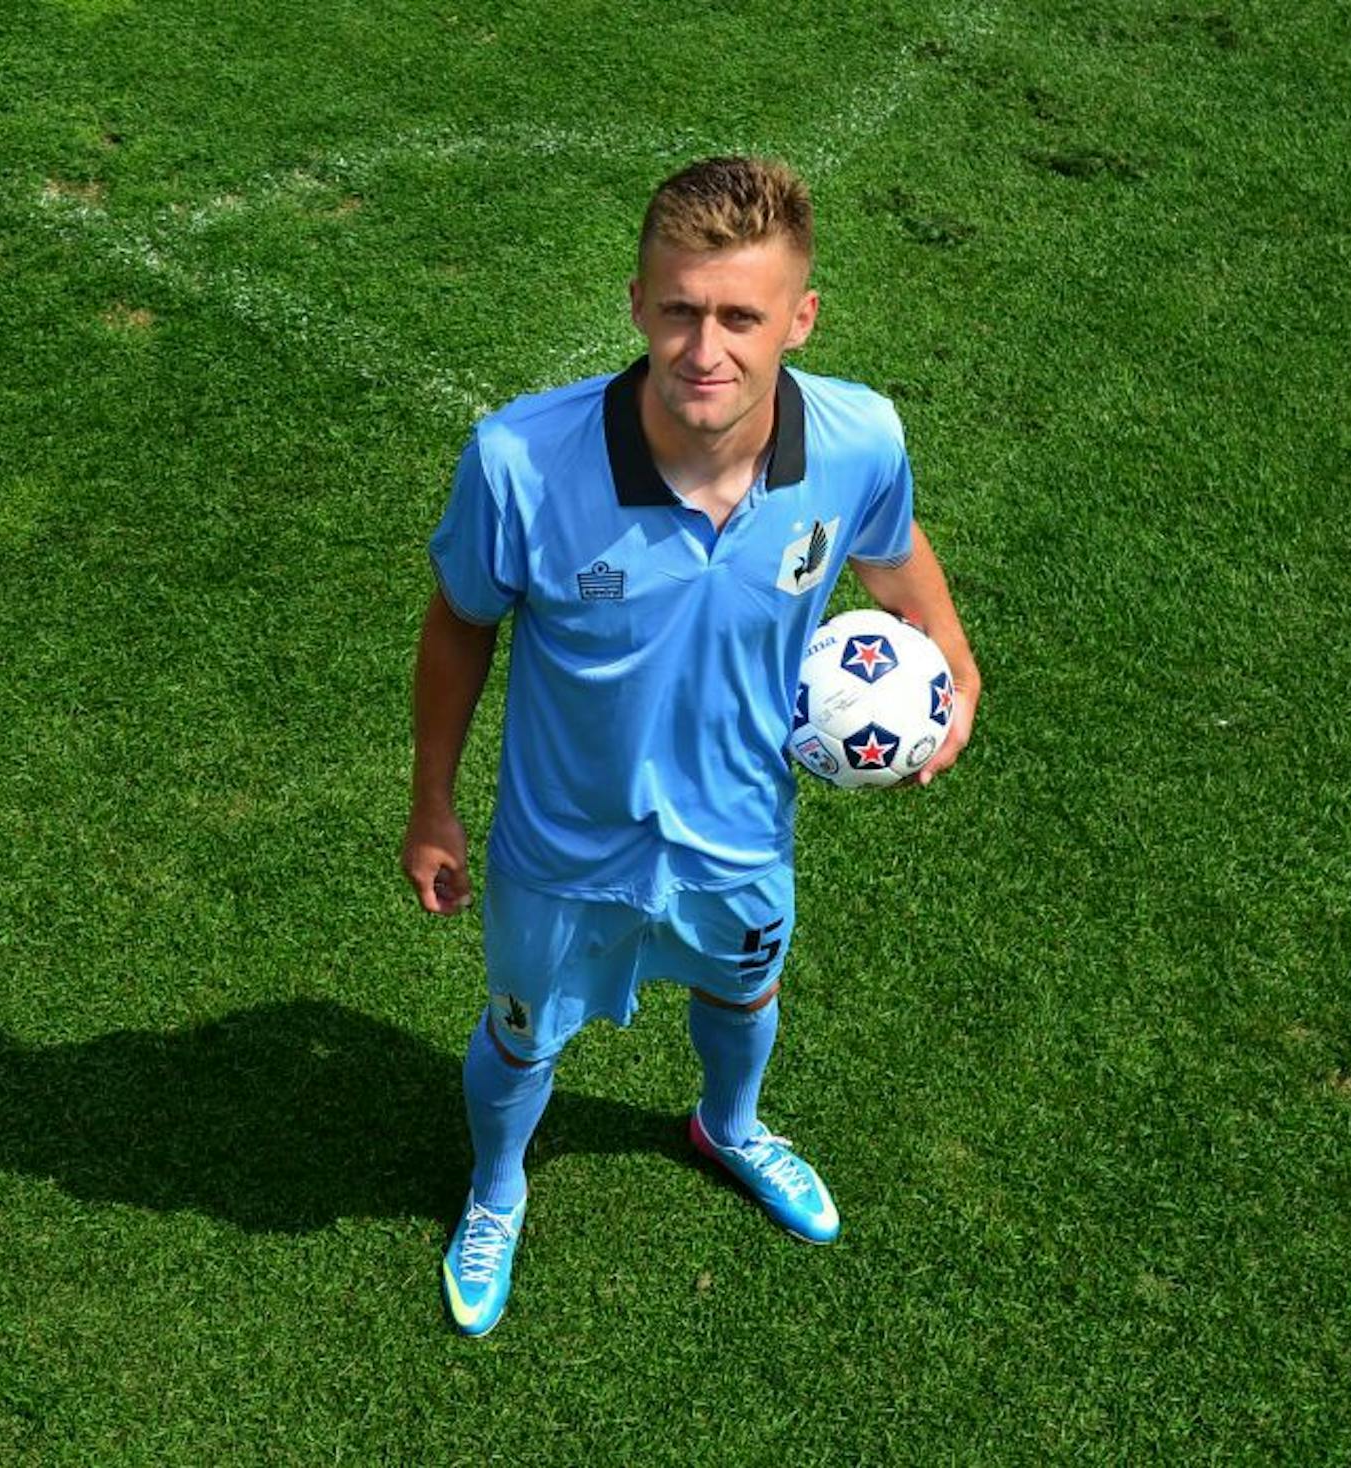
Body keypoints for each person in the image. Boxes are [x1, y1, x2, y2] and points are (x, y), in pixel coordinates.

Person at [402, 156, 980, 1337]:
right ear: (637, 303)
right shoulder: (522, 461)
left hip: (738, 831)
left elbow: (893, 546)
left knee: (745, 987)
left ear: (799, 318)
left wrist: (955, 661)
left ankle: (732, 1124)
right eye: (678, 309)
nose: (703, 348)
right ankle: (498, 1187)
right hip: (560, 847)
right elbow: (462, 622)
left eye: (739, 316)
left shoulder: (860, 438)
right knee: (523, 1037)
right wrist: (432, 802)